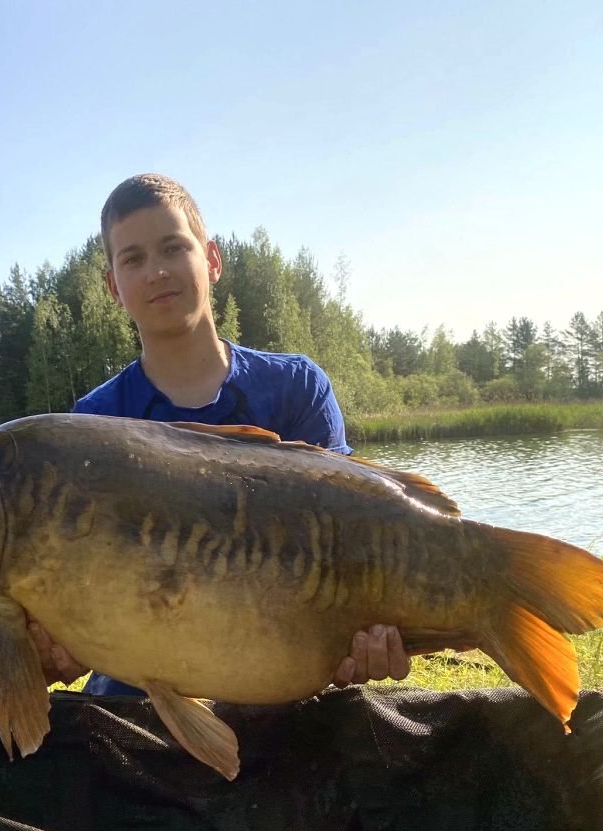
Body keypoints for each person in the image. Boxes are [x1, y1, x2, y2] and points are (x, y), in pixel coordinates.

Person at [29, 173, 413, 695]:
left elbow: (356, 544)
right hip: (136, 705)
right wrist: (56, 649)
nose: (157, 271)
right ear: (113, 287)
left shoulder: (297, 388)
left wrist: (375, 631)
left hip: (286, 697)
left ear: (211, 259)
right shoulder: (92, 427)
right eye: (133, 259)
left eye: (173, 247)